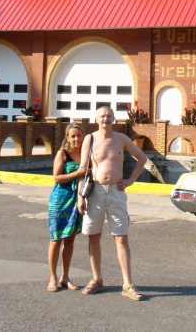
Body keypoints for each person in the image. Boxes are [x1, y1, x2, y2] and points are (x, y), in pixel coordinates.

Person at [78, 106, 147, 301]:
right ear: (96, 119)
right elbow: (83, 169)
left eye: (108, 116)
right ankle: (97, 279)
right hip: (95, 192)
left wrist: (130, 180)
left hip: (116, 193)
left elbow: (141, 158)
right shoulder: (89, 139)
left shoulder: (122, 139)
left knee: (121, 237)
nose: (105, 119)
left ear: (113, 119)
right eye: (102, 116)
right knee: (94, 236)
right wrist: (80, 197)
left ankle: (127, 283)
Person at [47, 122, 86, 292]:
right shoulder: (62, 153)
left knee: (70, 241)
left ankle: (65, 277)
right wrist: (76, 173)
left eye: (79, 135)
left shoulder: (85, 154)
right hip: (60, 200)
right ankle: (53, 278)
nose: (77, 139)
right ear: (67, 138)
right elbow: (56, 178)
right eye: (73, 136)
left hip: (77, 200)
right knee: (56, 239)